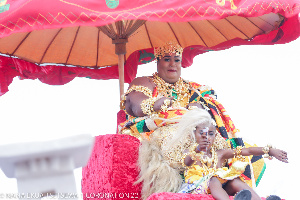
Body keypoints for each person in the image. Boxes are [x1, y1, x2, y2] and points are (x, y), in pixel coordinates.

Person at [118, 41, 267, 199]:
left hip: (199, 133)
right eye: (167, 59)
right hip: (159, 132)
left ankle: (233, 189)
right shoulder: (145, 81)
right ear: (158, 61)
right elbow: (134, 104)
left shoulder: (194, 88)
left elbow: (207, 112)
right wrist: (155, 105)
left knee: (245, 151)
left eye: (177, 60)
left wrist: (196, 108)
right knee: (183, 141)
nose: (172, 64)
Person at [178, 108, 288, 200]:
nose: (205, 137)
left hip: (219, 190)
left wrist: (269, 151)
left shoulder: (220, 154)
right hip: (197, 189)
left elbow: (247, 151)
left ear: (215, 136)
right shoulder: (190, 152)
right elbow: (187, 163)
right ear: (194, 134)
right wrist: (198, 149)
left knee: (234, 180)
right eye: (201, 133)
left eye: (210, 134)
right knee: (214, 179)